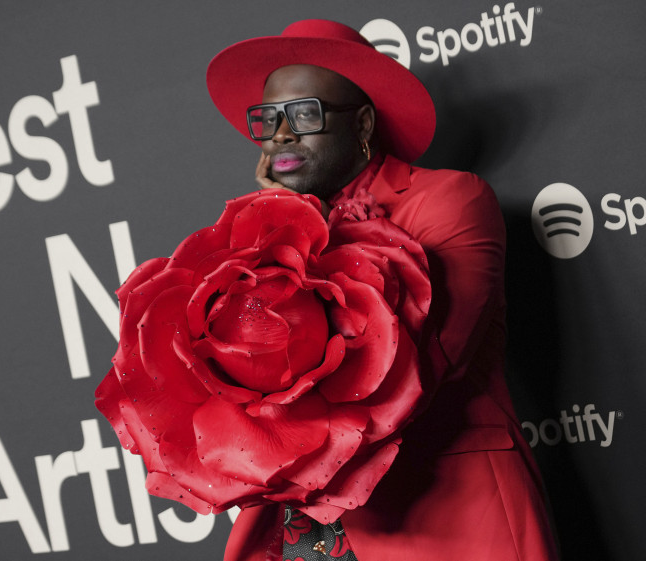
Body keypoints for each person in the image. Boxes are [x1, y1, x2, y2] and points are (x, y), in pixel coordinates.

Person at [206, 19, 559, 561]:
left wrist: (305, 224)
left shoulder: (451, 200)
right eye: (269, 119)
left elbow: (423, 366)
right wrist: (279, 225)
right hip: (307, 531)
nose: (281, 133)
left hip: (439, 517)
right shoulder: (260, 234)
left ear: (363, 122)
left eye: (304, 114)